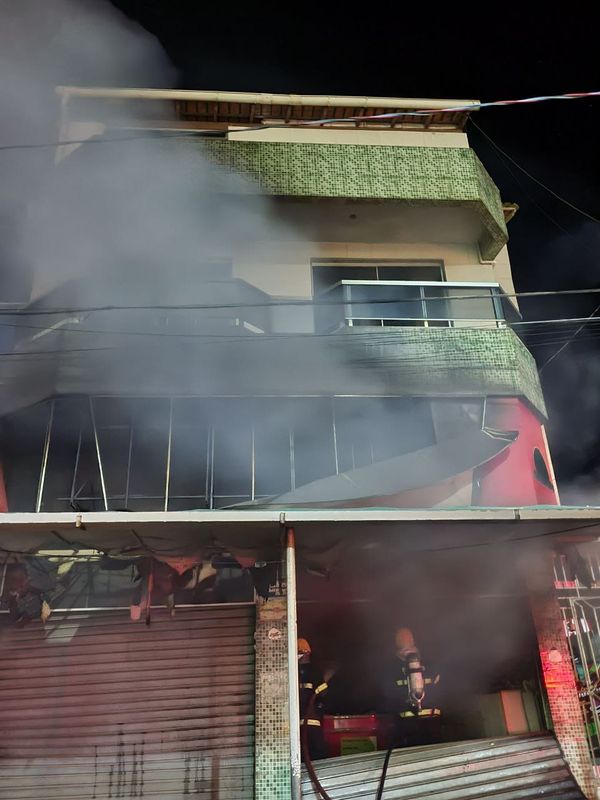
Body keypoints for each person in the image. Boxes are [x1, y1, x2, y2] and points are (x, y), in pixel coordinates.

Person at [393, 627, 441, 747]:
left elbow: (440, 688)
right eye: (402, 638)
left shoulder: (429, 662)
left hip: (430, 724)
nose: (405, 640)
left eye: (407, 637)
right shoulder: (391, 666)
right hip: (408, 727)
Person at [298, 637, 328, 761]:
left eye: (300, 653)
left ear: (307, 653)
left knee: (315, 757)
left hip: (312, 721)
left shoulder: (315, 671)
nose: (298, 657)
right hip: (297, 723)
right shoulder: (293, 670)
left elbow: (324, 693)